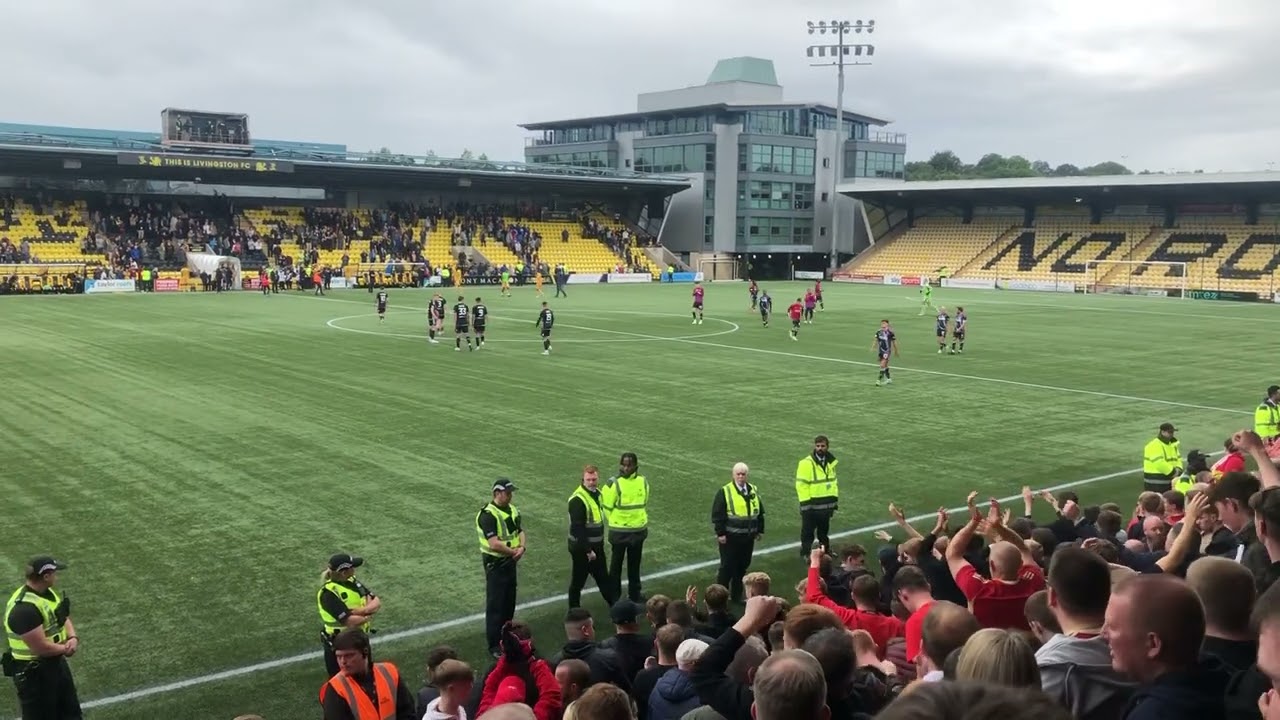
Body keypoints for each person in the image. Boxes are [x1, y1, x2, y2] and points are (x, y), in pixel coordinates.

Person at [2, 556, 82, 720]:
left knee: (70, 712)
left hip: (55, 663)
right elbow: (41, 649)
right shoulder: (24, 610)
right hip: (34, 674)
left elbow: (62, 616)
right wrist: (67, 648)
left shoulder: (46, 593)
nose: (56, 576)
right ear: (45, 576)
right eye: (54, 573)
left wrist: (72, 637)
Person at [319, 629, 416, 720]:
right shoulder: (336, 688)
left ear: (365, 652)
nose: (343, 661)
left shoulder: (389, 672)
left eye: (349, 655)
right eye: (339, 657)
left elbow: (407, 712)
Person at [478, 479, 526, 657]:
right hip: (496, 564)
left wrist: (522, 547)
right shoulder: (488, 515)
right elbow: (493, 543)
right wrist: (514, 551)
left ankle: (507, 638)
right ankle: (494, 645)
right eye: (507, 492)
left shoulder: (512, 510)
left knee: (508, 603)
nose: (510, 495)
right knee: (496, 605)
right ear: (497, 493)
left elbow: (519, 531)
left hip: (510, 562)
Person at [318, 552, 382, 677]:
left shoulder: (353, 581)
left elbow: (376, 601)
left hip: (359, 640)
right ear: (344, 572)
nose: (355, 569)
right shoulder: (328, 594)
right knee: (344, 683)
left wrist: (360, 611)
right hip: (341, 647)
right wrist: (368, 614)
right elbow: (349, 621)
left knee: (366, 677)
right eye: (352, 567)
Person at [712, 462, 765, 603]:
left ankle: (736, 596)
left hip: (747, 538)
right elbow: (718, 514)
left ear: (747, 475)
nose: (741, 476)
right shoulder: (725, 491)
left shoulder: (753, 490)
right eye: (738, 474)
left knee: (742, 567)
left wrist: (759, 529)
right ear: (733, 475)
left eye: (743, 474)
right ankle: (718, 597)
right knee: (727, 568)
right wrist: (720, 533)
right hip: (730, 538)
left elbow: (759, 511)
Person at [602, 452, 649, 602]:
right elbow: (606, 507)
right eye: (623, 464)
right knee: (616, 566)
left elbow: (644, 501)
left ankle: (635, 593)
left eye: (629, 465)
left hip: (638, 530)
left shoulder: (643, 482)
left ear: (636, 466)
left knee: (634, 566)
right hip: (620, 532)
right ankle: (614, 596)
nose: (625, 468)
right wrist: (617, 523)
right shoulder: (613, 483)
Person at [568, 465, 617, 609]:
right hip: (582, 548)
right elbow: (578, 528)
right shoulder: (578, 500)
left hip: (594, 546)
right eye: (589, 480)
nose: (592, 482)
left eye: (594, 479)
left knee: (599, 578)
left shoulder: (598, 494)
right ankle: (574, 610)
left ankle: (614, 606)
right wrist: (588, 550)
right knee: (580, 581)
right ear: (582, 480)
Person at [796, 436, 838, 559]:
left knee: (823, 531)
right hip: (811, 506)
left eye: (822, 446)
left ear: (827, 447)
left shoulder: (831, 462)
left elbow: (832, 483)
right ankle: (805, 553)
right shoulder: (806, 463)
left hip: (825, 506)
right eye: (818, 446)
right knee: (808, 532)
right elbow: (801, 485)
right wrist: (806, 506)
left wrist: (833, 503)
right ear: (815, 447)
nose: (820, 448)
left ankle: (825, 550)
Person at [1142, 422, 1182, 493]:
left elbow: (1178, 459)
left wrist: (1179, 470)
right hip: (1155, 483)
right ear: (1162, 432)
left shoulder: (1173, 445)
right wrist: (1174, 473)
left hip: (1169, 481)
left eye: (1172, 432)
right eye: (1169, 432)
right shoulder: (1154, 445)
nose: (1172, 434)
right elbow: (1159, 463)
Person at [874, 319, 899, 387]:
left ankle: (878, 380)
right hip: (881, 351)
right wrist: (873, 347)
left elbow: (894, 342)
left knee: (882, 365)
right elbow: (876, 340)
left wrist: (896, 351)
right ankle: (888, 379)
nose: (883, 324)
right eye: (882, 323)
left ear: (887, 324)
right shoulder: (879, 332)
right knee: (885, 365)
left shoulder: (890, 333)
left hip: (887, 351)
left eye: (884, 323)